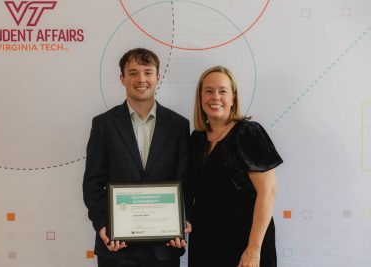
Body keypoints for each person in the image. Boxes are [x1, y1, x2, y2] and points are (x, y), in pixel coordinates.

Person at [83, 48, 190, 267]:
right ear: (122, 78)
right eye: (133, 73)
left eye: (147, 72)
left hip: (165, 245)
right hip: (116, 245)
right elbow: (92, 182)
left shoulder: (179, 125)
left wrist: (181, 222)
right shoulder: (103, 125)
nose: (141, 79)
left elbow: (185, 180)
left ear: (157, 77)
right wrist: (103, 225)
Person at [186, 66, 283, 267]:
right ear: (200, 97)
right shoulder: (196, 139)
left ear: (233, 98)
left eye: (223, 91)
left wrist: (253, 250)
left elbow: (268, 191)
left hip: (244, 244)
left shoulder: (248, 133)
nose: (216, 97)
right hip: (205, 244)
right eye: (209, 91)